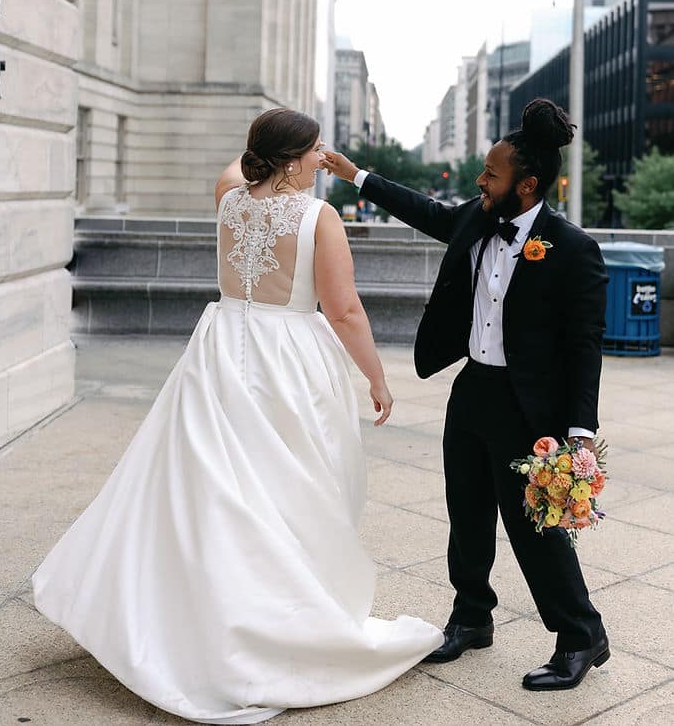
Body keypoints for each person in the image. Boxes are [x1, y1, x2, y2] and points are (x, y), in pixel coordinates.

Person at [33, 108, 442, 724]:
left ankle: (200, 612)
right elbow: (347, 309)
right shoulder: (319, 217)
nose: (321, 160)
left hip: (223, 345)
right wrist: (376, 376)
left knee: (215, 484)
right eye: (314, 152)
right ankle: (273, 620)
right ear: (297, 158)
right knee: (288, 484)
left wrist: (269, 151)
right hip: (289, 358)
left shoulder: (229, 202)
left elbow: (236, 170)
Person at [323, 98, 610, 692]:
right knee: (467, 512)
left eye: (492, 174)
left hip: (528, 407)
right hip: (472, 390)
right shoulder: (478, 218)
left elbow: (585, 345)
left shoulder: (573, 249)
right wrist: (357, 177)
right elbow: (422, 210)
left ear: (527, 186)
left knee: (534, 526)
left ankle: (582, 636)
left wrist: (579, 430)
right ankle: (472, 616)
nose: (481, 181)